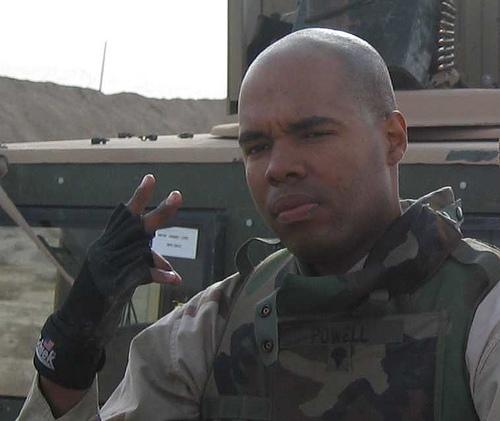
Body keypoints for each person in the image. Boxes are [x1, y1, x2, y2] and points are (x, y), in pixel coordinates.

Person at [17, 28, 500, 421]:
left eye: (313, 133)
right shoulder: (212, 326)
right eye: (256, 147)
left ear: (393, 139)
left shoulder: (482, 311)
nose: (278, 167)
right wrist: (69, 351)